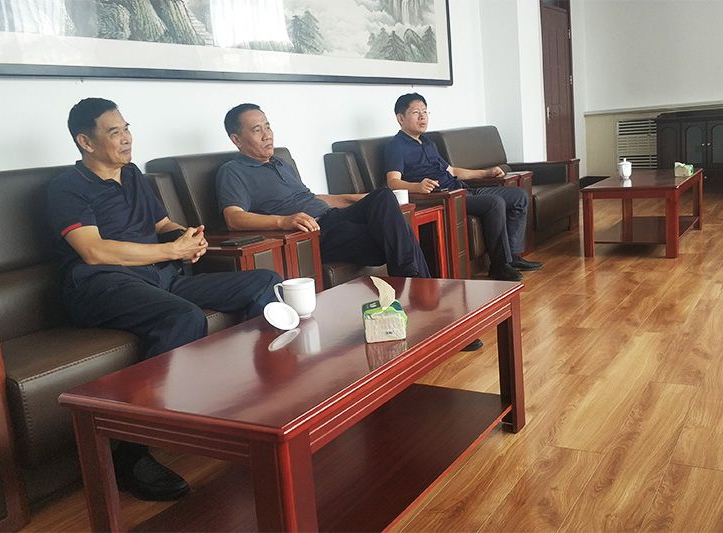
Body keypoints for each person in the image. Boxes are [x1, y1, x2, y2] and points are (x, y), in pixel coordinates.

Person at [47, 98, 280, 501]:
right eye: (114, 132)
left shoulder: (133, 175)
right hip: (101, 285)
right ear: (85, 141)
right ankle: (130, 452)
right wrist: (170, 251)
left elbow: (161, 224)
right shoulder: (67, 187)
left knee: (265, 282)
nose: (126, 138)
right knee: (183, 317)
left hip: (159, 278)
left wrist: (186, 238)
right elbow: (93, 251)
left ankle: (255, 400)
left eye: (127, 129)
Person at [216, 103, 483, 352]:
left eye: (268, 126)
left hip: (334, 218)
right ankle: (432, 314)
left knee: (383, 197)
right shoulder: (233, 171)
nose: (267, 135)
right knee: (396, 239)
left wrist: (358, 199)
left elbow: (313, 199)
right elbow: (234, 217)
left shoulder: (281, 164)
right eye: (257, 130)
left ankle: (422, 308)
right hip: (313, 234)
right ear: (236, 139)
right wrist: (283, 221)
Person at [384, 93, 542, 281]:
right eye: (416, 112)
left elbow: (451, 170)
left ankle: (512, 257)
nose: (422, 117)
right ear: (400, 118)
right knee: (494, 203)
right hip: (446, 198)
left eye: (425, 112)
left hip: (463, 189)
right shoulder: (395, 146)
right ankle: (499, 265)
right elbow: (392, 181)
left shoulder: (428, 143)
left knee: (518, 196)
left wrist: (486, 173)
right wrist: (417, 186)